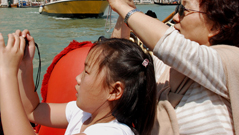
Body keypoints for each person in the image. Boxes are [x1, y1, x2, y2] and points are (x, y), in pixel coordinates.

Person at [98, 0, 239, 135]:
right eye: (177, 9)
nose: (175, 17)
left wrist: (123, 7)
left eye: (183, 10)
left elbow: (171, 45)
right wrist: (125, 7)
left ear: (215, 27)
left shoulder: (235, 62)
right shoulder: (167, 66)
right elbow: (116, 59)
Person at [0, 32, 156, 135]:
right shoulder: (84, 113)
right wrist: (24, 67)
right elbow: (32, 111)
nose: (78, 78)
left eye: (86, 72)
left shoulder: (113, 132)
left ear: (114, 91)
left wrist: (6, 73)